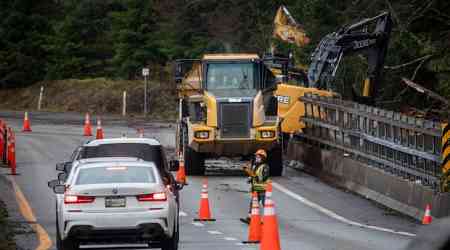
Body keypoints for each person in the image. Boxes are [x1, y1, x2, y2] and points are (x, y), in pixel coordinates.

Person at [240, 149, 270, 224]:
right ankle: (249, 218)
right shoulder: (255, 166)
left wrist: (251, 174)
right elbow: (253, 175)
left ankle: (267, 219)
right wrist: (250, 178)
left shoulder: (265, 167)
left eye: (258, 157)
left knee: (264, 204)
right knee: (253, 204)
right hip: (255, 189)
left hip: (262, 190)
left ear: (263, 158)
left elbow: (263, 178)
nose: (257, 158)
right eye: (256, 157)